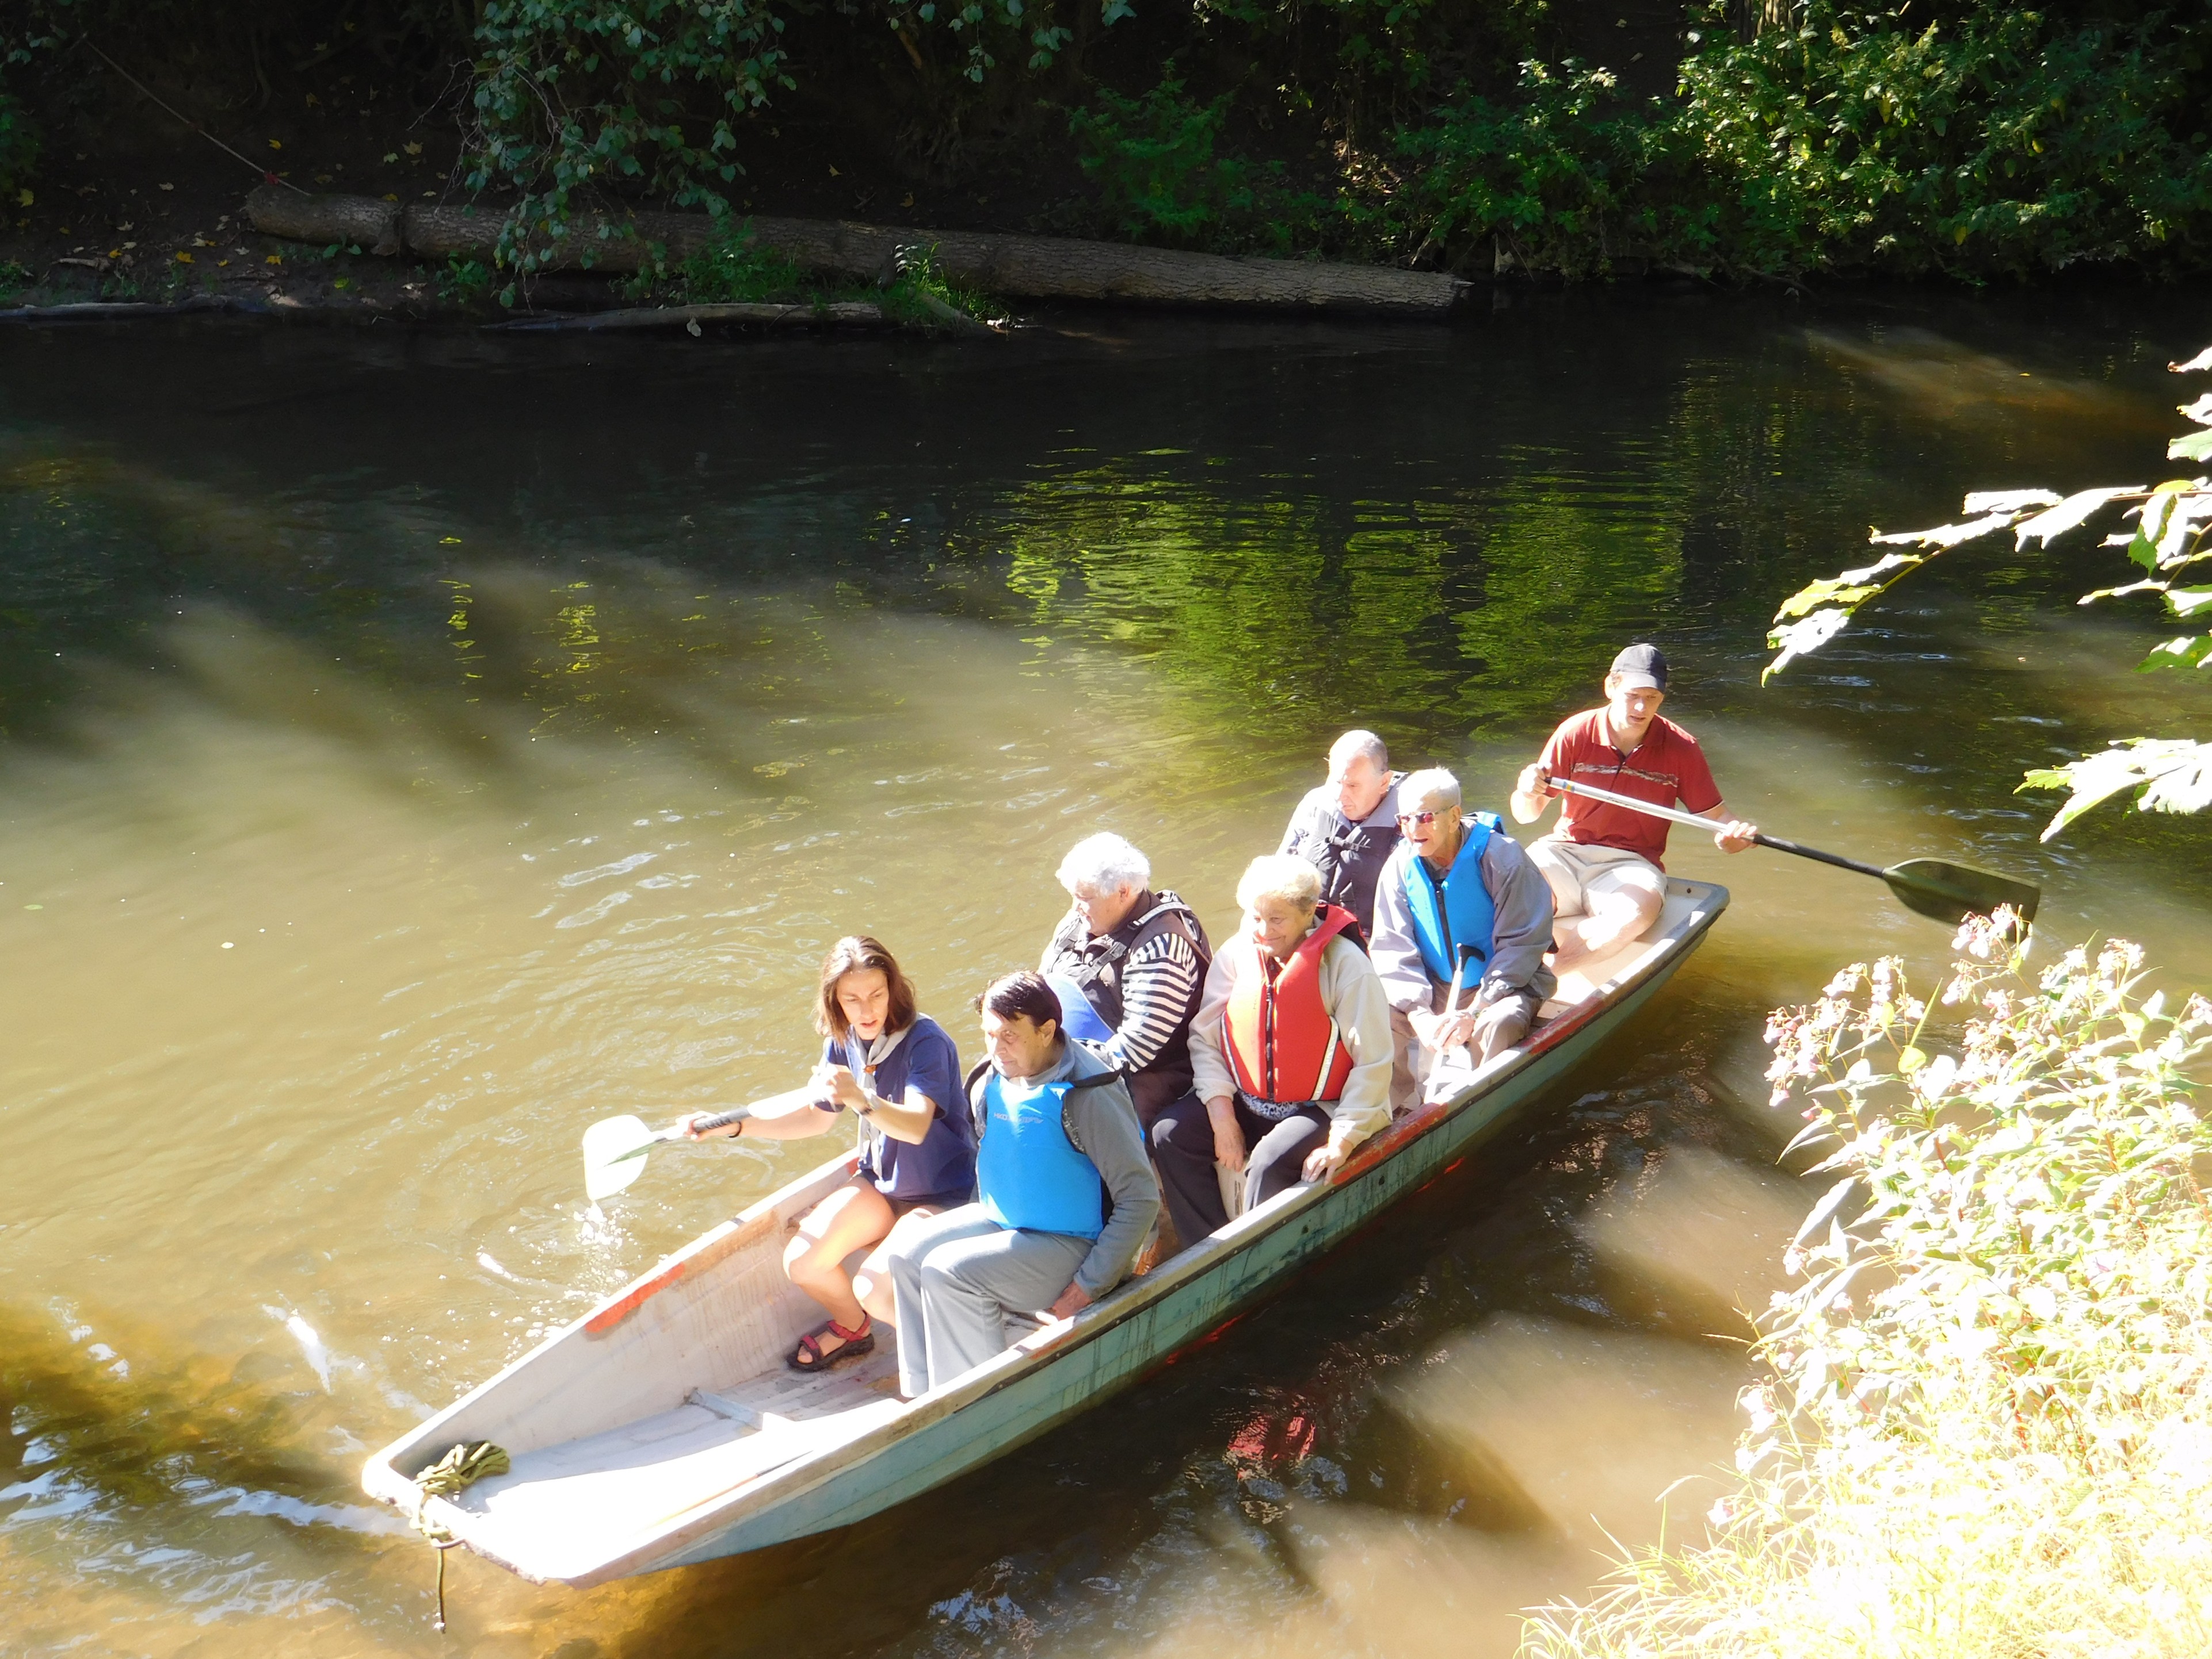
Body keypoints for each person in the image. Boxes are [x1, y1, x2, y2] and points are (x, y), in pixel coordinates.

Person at [680, 936, 973, 1372]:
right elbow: (815, 1118)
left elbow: (914, 1126)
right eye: (852, 999)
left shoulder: (926, 1041)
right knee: (802, 1262)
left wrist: (861, 1098)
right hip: (882, 1184)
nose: (868, 1010)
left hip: (943, 1193)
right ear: (835, 1001)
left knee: (873, 1285)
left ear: (893, 988)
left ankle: (952, 1354)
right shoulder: (843, 1040)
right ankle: (854, 1328)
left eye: (877, 994)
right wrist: (738, 1125)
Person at [886, 972, 1160, 1398]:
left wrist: (1087, 1287)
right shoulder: (990, 1077)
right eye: (989, 1035)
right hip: (1006, 1219)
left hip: (1074, 1242)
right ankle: (924, 1398)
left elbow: (1141, 1199)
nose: (996, 1049)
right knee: (905, 1255)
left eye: (1009, 1036)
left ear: (1047, 1030)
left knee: (948, 1272)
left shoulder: (1090, 1093)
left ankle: (977, 1403)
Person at [1153, 855, 1394, 1247]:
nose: (1262, 931)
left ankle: (1262, 1255)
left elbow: (1374, 1061)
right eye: (1255, 917)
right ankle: (1210, 1249)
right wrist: (1222, 1116)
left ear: (1306, 913)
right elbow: (1205, 1038)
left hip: (1322, 1106)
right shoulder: (1236, 954)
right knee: (1169, 1133)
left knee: (1268, 1162)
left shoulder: (1346, 967)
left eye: (1277, 919)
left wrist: (1343, 1139)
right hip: (1251, 1098)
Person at [1508, 643, 1758, 967]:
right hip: (1564, 852)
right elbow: (1525, 815)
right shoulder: (1574, 733)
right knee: (1511, 896)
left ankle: (1546, 979)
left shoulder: (1682, 748)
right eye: (1632, 695)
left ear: (1662, 699)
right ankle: (1498, 974)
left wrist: (1733, 838)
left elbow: (1718, 818)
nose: (1641, 707)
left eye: (1652, 698)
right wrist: (1527, 792)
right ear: (1611, 687)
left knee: (1634, 916)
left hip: (1632, 863)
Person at [1370, 767, 1557, 1104]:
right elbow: (1391, 947)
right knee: (1374, 1011)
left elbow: (1522, 945)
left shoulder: (1504, 859)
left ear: (1455, 816)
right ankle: (1392, 1107)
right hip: (1434, 983)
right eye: (1405, 819)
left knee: (1502, 1021)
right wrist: (1419, 1013)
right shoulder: (1399, 867)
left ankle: (1479, 1103)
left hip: (1503, 983)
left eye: (1425, 817)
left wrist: (1476, 1011)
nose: (1414, 830)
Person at [1038, 833, 1211, 1124]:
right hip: (1065, 1055)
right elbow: (1041, 983)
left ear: (1123, 892)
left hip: (1147, 1075)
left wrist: (1057, 1073)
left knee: (1074, 1122)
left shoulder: (1161, 948)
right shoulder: (1078, 920)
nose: (1076, 906)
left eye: (1084, 898)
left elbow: (1135, 1049)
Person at [1276, 729, 1406, 936]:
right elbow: (1277, 874)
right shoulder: (1314, 804)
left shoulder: (1410, 822)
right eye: (1337, 782)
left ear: (1384, 783)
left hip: (1374, 943)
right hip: (1310, 935)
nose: (1340, 795)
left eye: (1353, 785)